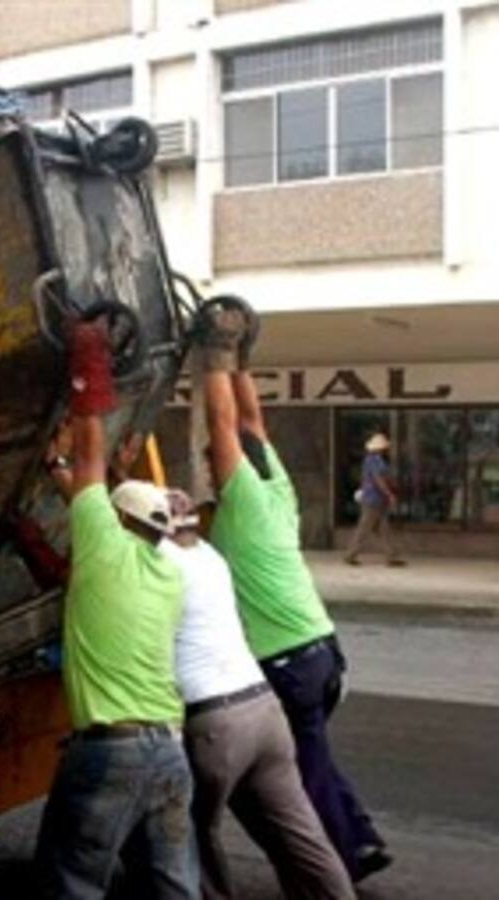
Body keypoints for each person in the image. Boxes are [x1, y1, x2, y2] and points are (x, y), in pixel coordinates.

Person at [195, 307, 391, 884]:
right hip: (323, 652)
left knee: (289, 780)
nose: (211, 466)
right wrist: (241, 358)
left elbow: (225, 424)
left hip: (289, 662)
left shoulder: (247, 498)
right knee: (311, 757)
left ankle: (337, 863)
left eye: (214, 462)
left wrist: (212, 354)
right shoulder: (275, 480)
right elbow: (251, 421)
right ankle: (359, 838)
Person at [35, 318, 199, 900]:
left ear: (116, 519)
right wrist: (62, 473)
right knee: (173, 887)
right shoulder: (169, 572)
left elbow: (90, 453)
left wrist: (89, 368)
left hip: (110, 756)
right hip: (169, 755)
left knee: (71, 883)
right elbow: (92, 492)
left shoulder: (102, 549)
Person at [161, 488, 355, 900]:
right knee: (302, 837)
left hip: (215, 725)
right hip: (265, 713)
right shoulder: (211, 559)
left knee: (190, 834)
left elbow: (106, 545)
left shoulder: (161, 564)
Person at [344, 434, 405, 567]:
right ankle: (351, 554)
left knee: (382, 529)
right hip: (374, 500)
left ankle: (392, 555)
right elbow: (379, 480)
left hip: (373, 498)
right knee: (366, 528)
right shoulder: (376, 461)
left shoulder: (369, 460)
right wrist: (389, 494)